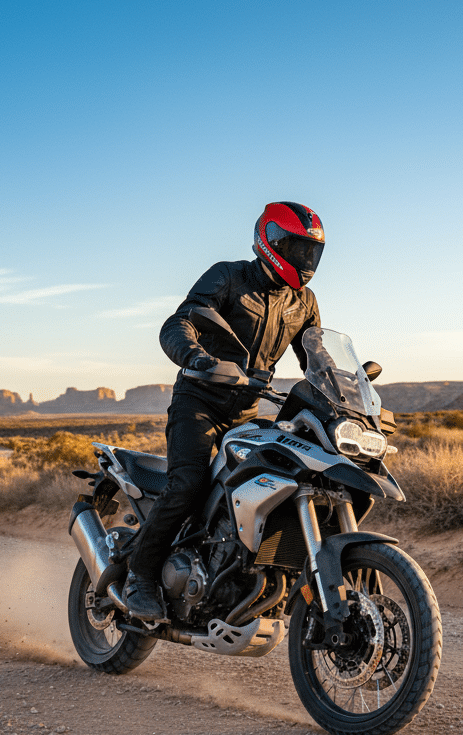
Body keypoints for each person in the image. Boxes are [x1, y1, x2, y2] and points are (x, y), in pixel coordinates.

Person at [122, 201, 326, 621]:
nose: (304, 260)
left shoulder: (303, 301)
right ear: (270, 241)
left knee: (268, 487)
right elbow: (179, 323)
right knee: (188, 484)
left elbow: (316, 357)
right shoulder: (228, 276)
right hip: (200, 401)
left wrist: (343, 385)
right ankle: (138, 577)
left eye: (311, 252)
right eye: (296, 248)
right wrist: (195, 358)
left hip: (248, 410)